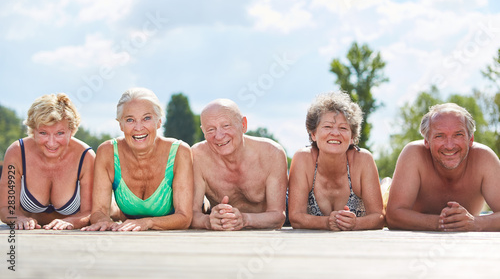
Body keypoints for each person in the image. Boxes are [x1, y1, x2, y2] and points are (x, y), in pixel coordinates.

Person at [82, 88, 193, 231]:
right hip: (132, 230)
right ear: (120, 125)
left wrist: (147, 223)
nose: (138, 127)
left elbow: (184, 217)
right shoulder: (107, 152)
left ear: (159, 122)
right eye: (130, 120)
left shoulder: (179, 152)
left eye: (147, 118)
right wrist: (104, 221)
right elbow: (99, 211)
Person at [386, 103, 500, 231]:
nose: (449, 145)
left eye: (458, 135)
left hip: (467, 245)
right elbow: (392, 216)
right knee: (384, 193)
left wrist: (474, 223)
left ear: (471, 139)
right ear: (427, 141)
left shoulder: (484, 158)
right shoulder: (413, 154)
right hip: (416, 243)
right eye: (440, 136)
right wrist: (443, 222)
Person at [288, 91, 384, 231]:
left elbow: (379, 217)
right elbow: (295, 217)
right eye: (327, 127)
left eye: (343, 128)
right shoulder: (303, 159)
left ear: (352, 137)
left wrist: (356, 224)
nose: (335, 133)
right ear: (313, 134)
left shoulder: (363, 160)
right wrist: (326, 223)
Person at [0, 93, 95, 230]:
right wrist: (17, 218)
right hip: (31, 238)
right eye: (43, 133)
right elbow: (5, 207)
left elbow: (92, 212)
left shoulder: (86, 156)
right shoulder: (16, 153)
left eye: (60, 133)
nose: (51, 143)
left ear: (71, 131)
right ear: (33, 131)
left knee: (113, 210)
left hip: (70, 238)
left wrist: (73, 221)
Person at [190, 99, 288, 230]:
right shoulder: (197, 156)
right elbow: (191, 214)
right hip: (223, 226)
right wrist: (208, 221)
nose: (218, 136)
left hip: (264, 226)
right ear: (203, 131)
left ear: (243, 124)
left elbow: (278, 216)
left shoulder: (272, 153)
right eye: (211, 129)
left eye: (226, 126)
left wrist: (245, 219)